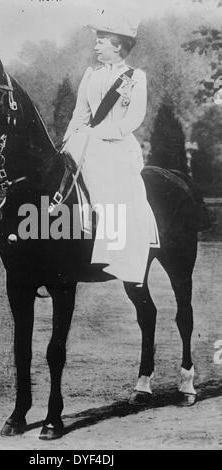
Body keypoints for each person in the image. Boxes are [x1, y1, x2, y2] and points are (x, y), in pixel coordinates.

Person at [63, 12, 159, 284]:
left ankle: (117, 252)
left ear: (118, 45)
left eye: (101, 40)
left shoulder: (135, 76)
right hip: (84, 140)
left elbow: (134, 118)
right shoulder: (90, 74)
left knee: (118, 194)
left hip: (117, 145)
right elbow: (79, 113)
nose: (95, 46)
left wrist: (100, 134)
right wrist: (69, 139)